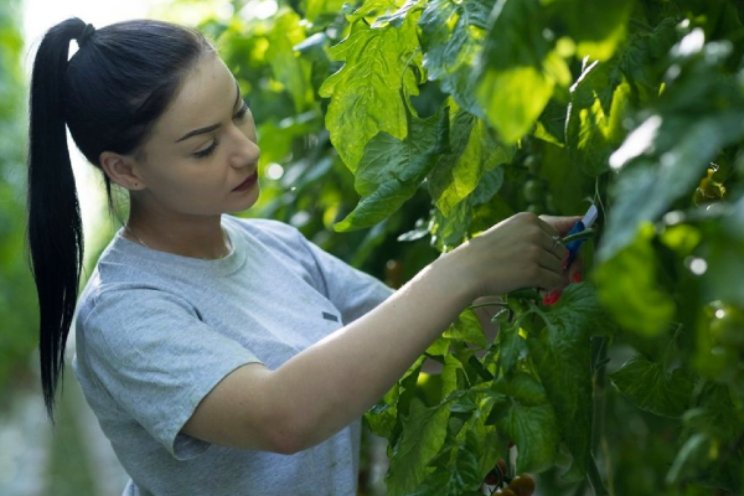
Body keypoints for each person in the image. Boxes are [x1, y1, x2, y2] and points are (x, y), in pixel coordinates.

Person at [26, 17, 579, 496]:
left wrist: (549, 265)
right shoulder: (123, 312)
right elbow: (281, 417)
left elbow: (423, 344)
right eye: (204, 147)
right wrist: (465, 265)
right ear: (125, 170)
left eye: (239, 113)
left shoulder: (277, 246)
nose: (247, 149)